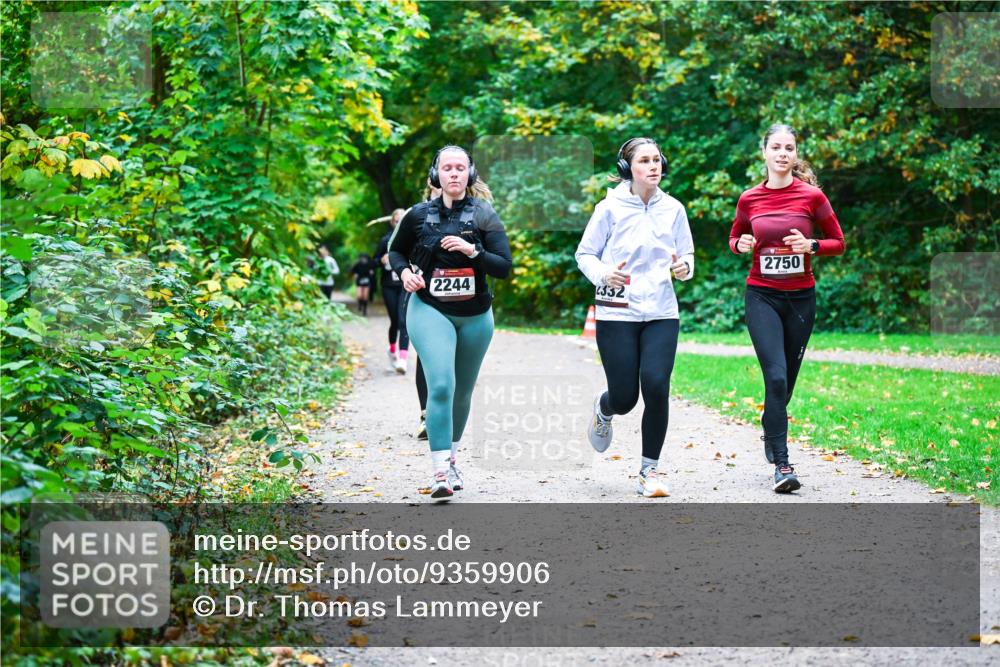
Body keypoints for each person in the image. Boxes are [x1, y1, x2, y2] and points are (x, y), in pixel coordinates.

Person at [388, 146, 512, 501]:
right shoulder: (416, 215)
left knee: (463, 390)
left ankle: (453, 458)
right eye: (447, 168)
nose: (454, 174)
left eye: (460, 168)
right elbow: (395, 252)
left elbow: (503, 267)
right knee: (441, 385)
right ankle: (440, 470)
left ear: (469, 175)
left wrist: (472, 251)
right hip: (430, 309)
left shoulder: (485, 215)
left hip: (475, 315)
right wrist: (404, 273)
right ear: (436, 175)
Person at [729, 123, 845, 493]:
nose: (782, 153)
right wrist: (741, 244)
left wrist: (811, 246)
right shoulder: (749, 199)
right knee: (775, 378)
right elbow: (735, 237)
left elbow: (838, 242)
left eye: (789, 148)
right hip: (761, 295)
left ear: (795, 155)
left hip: (800, 299)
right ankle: (782, 464)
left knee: (786, 383)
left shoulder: (811, 197)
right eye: (776, 147)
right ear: (764, 152)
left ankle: (771, 423)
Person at [576, 137, 695, 498]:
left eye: (657, 159)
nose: (653, 166)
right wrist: (604, 273)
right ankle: (605, 406)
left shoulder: (673, 208)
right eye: (644, 160)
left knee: (657, 386)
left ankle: (649, 471)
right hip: (617, 312)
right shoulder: (609, 209)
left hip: (661, 310)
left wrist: (683, 267)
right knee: (626, 397)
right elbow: (585, 255)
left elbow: (687, 256)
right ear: (628, 168)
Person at [376, 209, 410, 373]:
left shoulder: (412, 238)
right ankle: (392, 350)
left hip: (406, 284)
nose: (399, 223)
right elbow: (374, 261)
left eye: (403, 220)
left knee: (404, 321)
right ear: (392, 223)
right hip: (389, 285)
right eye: (397, 221)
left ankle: (403, 359)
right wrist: (381, 260)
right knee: (395, 321)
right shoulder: (385, 240)